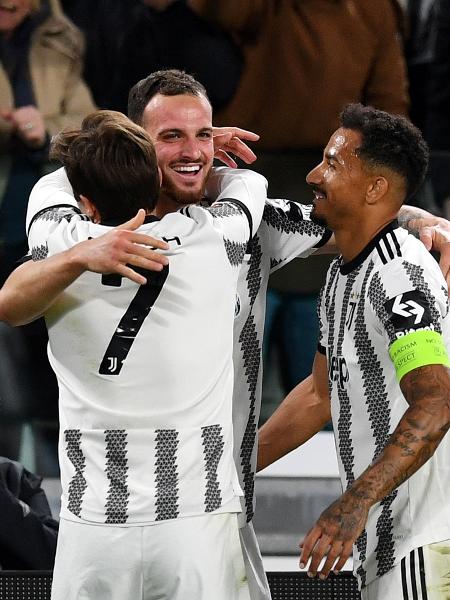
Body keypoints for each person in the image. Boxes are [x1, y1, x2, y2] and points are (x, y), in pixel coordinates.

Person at [2, 69, 450, 600]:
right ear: (138, 145)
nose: (193, 150)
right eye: (171, 137)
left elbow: (355, 214)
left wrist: (420, 218)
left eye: (203, 134)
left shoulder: (73, 223)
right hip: (122, 512)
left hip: (214, 511)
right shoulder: (230, 225)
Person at [24, 108, 267, 600]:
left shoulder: (60, 241)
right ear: (154, 175)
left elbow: (51, 187)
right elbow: (249, 185)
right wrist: (203, 153)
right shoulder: (213, 236)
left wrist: (116, 154)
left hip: (95, 521)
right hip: (195, 518)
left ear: (85, 202)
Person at [258, 104, 450, 599]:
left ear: (374, 188)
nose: (313, 174)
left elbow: (436, 403)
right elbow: (320, 393)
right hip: (386, 543)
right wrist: (235, 468)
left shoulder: (398, 274)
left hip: (424, 540)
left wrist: (354, 502)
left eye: (333, 163)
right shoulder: (343, 273)